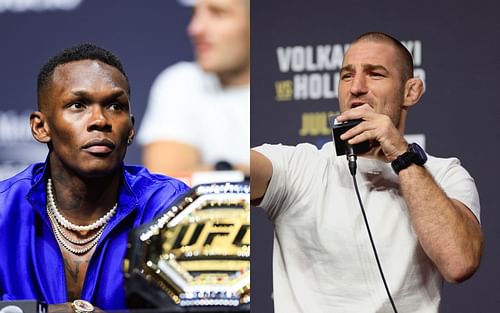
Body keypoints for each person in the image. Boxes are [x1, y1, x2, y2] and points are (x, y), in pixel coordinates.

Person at [251, 32, 483, 312]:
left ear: (411, 91)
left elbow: (459, 263)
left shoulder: (445, 174)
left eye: (375, 74)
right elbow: (235, 168)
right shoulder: (299, 165)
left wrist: (401, 154)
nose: (356, 87)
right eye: (347, 76)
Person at [0, 43, 189, 312]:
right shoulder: (4, 209)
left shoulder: (171, 208)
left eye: (115, 106)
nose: (100, 120)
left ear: (131, 129)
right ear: (41, 127)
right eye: (78, 105)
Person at [138, 0, 250, 177]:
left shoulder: (293, 89)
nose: (195, 29)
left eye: (218, 13)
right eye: (195, 13)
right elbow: (169, 184)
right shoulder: (181, 82)